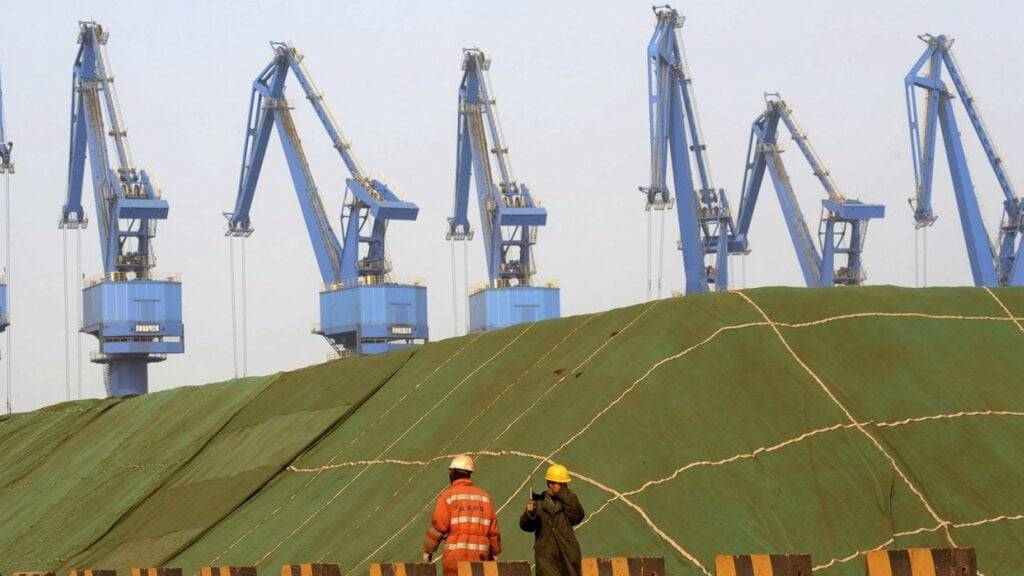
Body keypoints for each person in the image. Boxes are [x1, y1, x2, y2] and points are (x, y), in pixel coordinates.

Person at [423, 454, 501, 576]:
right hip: (480, 560)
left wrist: (428, 551)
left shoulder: (448, 496)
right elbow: (493, 532)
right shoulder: (485, 498)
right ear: (469, 474)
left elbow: (438, 526)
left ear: (452, 473)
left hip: (455, 560)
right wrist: (494, 554)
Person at [519, 464, 586, 576]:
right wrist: (530, 513)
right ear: (550, 483)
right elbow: (525, 526)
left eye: (564, 484)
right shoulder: (538, 503)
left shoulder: (569, 499)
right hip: (547, 556)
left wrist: (563, 494)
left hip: (568, 552)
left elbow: (577, 516)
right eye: (561, 484)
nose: (564, 486)